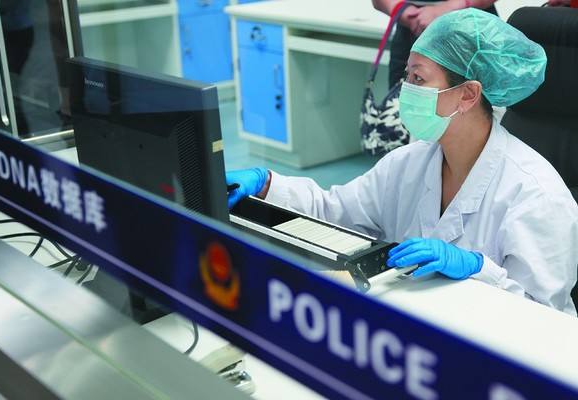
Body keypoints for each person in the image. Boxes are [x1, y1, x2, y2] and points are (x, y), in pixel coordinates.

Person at [226, 9, 578, 316]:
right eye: (407, 76)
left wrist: (479, 270)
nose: (405, 89)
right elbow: (335, 212)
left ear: (468, 94)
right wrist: (267, 183)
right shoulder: (408, 162)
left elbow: (542, 318)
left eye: (418, 79)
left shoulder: (536, 194)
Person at [371, 0, 498, 89]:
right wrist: (404, 12)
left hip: (469, 29)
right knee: (406, 106)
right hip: (410, 31)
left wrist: (448, 7)